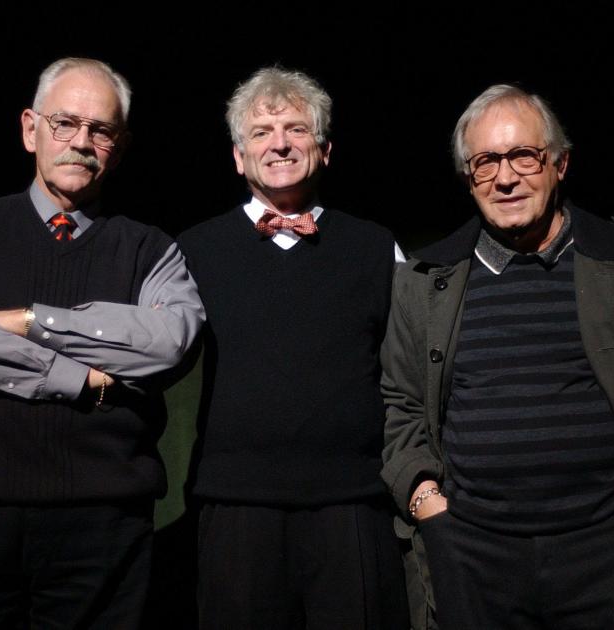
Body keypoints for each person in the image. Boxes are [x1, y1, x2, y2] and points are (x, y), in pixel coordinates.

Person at [380, 84, 614, 630]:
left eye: (523, 156)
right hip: (473, 557)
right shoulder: (423, 283)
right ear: (468, 177)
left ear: (560, 163)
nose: (505, 178)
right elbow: (399, 404)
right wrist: (430, 506)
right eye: (485, 163)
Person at [0, 57, 204, 628]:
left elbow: (168, 344)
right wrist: (76, 378)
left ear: (120, 145)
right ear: (30, 128)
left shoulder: (152, 249)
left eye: (101, 130)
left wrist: (27, 319)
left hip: (103, 529)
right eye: (64, 123)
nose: (81, 142)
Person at [177, 67, 408, 629]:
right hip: (236, 506)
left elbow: (412, 372)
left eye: (295, 129)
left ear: (324, 150)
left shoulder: (378, 248)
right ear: (238, 156)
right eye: (261, 132)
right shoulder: (191, 251)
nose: (279, 143)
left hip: (352, 503)